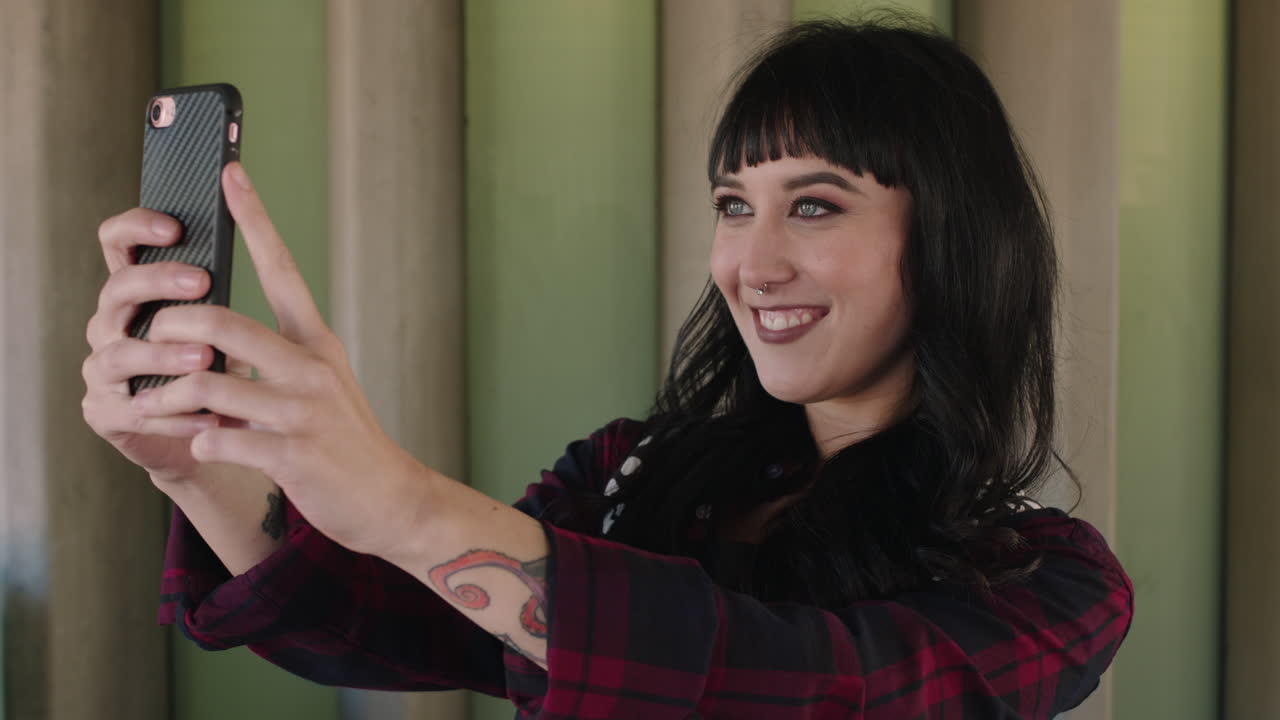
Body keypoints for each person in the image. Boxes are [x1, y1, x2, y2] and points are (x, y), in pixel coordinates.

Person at [81, 14, 1133, 719]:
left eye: (812, 206)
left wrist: (405, 501)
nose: (751, 264)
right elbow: (398, 622)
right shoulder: (632, 475)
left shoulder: (1050, 582)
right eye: (733, 205)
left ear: (949, 240)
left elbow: (819, 689)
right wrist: (193, 460)